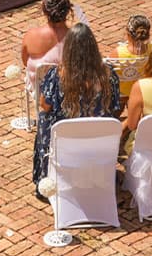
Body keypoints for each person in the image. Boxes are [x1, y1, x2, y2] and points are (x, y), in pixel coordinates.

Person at [30, 24, 119, 194]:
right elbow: (115, 106)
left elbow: (44, 104)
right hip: (97, 142)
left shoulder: (57, 76)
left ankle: (44, 176)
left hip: (66, 143)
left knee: (44, 116)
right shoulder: (109, 75)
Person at [20, 0, 72, 71]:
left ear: (44, 11)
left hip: (37, 83)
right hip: (67, 83)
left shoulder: (31, 36)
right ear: (68, 10)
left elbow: (25, 61)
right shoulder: (75, 38)